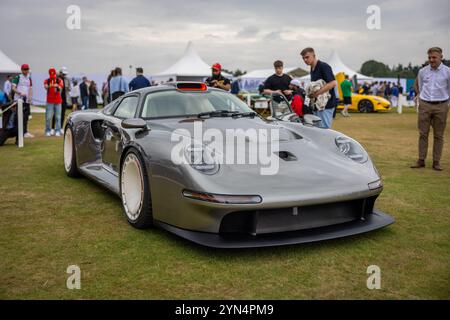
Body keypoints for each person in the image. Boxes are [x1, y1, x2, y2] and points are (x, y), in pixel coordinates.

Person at [411, 47, 450, 171]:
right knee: (423, 134)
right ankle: (421, 160)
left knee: (439, 135)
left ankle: (436, 162)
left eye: (434, 57)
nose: (431, 60)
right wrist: (422, 100)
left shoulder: (448, 72)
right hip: (425, 105)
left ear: (441, 57)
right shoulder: (422, 71)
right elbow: (420, 87)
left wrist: (446, 104)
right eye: (429, 57)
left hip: (441, 105)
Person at [300, 47, 337, 129]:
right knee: (317, 130)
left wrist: (316, 94)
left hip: (327, 104)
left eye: (307, 57)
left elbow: (333, 83)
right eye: (303, 58)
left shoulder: (323, 66)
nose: (305, 60)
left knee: (324, 130)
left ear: (314, 55)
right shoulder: (312, 69)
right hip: (317, 104)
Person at [11, 64, 33, 138]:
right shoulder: (18, 77)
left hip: (26, 101)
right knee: (18, 117)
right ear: (22, 70)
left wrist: (30, 98)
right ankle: (17, 133)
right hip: (18, 100)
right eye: (24, 69)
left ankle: (25, 132)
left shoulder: (29, 78)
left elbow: (30, 88)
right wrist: (19, 93)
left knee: (26, 117)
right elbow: (13, 88)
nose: (26, 71)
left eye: (27, 69)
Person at [44, 68, 63, 137]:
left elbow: (60, 87)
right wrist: (50, 86)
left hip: (58, 101)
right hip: (49, 101)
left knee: (58, 117)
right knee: (48, 117)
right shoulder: (47, 80)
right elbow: (45, 87)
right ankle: (47, 130)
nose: (53, 76)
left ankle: (57, 130)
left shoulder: (59, 80)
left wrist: (56, 85)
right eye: (51, 74)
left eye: (54, 74)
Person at [52, 67, 71, 133]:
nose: (64, 75)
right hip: (57, 98)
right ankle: (53, 128)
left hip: (64, 99)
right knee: (56, 114)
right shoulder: (56, 79)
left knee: (63, 113)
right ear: (60, 73)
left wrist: (66, 87)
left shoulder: (67, 79)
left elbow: (69, 88)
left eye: (65, 74)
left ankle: (60, 128)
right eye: (63, 74)